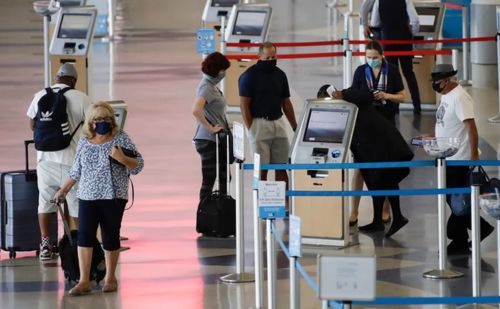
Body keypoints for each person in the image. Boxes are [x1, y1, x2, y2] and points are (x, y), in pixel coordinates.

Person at [53, 102, 144, 295]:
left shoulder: (121, 139)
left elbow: (138, 165)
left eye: (106, 120)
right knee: (85, 237)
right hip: (87, 196)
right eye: (97, 120)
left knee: (110, 236)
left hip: (113, 197)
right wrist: (62, 190)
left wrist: (122, 158)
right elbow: (76, 171)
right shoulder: (84, 142)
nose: (102, 123)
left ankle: (110, 278)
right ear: (91, 123)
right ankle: (84, 281)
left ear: (112, 122)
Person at [422, 64, 493, 254]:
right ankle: (466, 236)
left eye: (436, 81)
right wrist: (433, 136)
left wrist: (474, 157)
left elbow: (471, 127)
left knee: (457, 201)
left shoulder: (460, 97)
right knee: (453, 200)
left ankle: (467, 235)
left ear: (446, 80)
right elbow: (447, 124)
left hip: (460, 159)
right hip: (448, 156)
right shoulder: (446, 96)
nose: (434, 85)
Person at [26, 63, 92, 260]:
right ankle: (82, 243)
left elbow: (32, 124)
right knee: (77, 204)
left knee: (45, 203)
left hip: (45, 160)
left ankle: (45, 244)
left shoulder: (39, 96)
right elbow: (93, 125)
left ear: (56, 78)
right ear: (73, 80)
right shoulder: (81, 98)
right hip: (72, 161)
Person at [332, 87, 413, 238]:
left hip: (385, 144)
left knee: (388, 178)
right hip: (371, 147)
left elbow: (366, 95)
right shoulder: (345, 108)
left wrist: (343, 94)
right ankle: (377, 221)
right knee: (376, 181)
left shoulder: (352, 96)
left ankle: (398, 217)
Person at [348, 40, 406, 226]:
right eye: (368, 57)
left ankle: (385, 211)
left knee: (386, 170)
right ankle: (354, 211)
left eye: (375, 57)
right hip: (365, 126)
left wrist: (387, 96)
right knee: (359, 169)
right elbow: (354, 94)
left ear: (382, 56)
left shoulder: (392, 71)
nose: (371, 61)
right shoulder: (360, 72)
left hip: (386, 125)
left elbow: (403, 96)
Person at [239, 42, 297, 184]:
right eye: (268, 58)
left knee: (282, 166)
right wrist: (251, 128)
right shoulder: (249, 76)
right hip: (259, 124)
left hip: (278, 123)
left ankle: (285, 202)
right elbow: (244, 105)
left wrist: (295, 127)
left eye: (273, 57)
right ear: (259, 56)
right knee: (262, 169)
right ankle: (261, 203)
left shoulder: (280, 75)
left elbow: (286, 103)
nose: (271, 61)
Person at [360, 0, 422, 114]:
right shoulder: (406, 0)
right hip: (405, 41)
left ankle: (395, 107)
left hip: (388, 40)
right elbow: (415, 20)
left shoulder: (380, 1)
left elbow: (375, 22)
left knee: (393, 74)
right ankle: (417, 107)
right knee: (409, 73)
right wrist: (412, 33)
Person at [192, 52, 231, 205]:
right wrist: (210, 127)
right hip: (209, 141)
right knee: (209, 180)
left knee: (223, 177)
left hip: (216, 139)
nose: (224, 73)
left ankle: (221, 214)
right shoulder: (206, 87)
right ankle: (205, 217)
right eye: (223, 69)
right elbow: (196, 110)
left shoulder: (212, 86)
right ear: (216, 70)